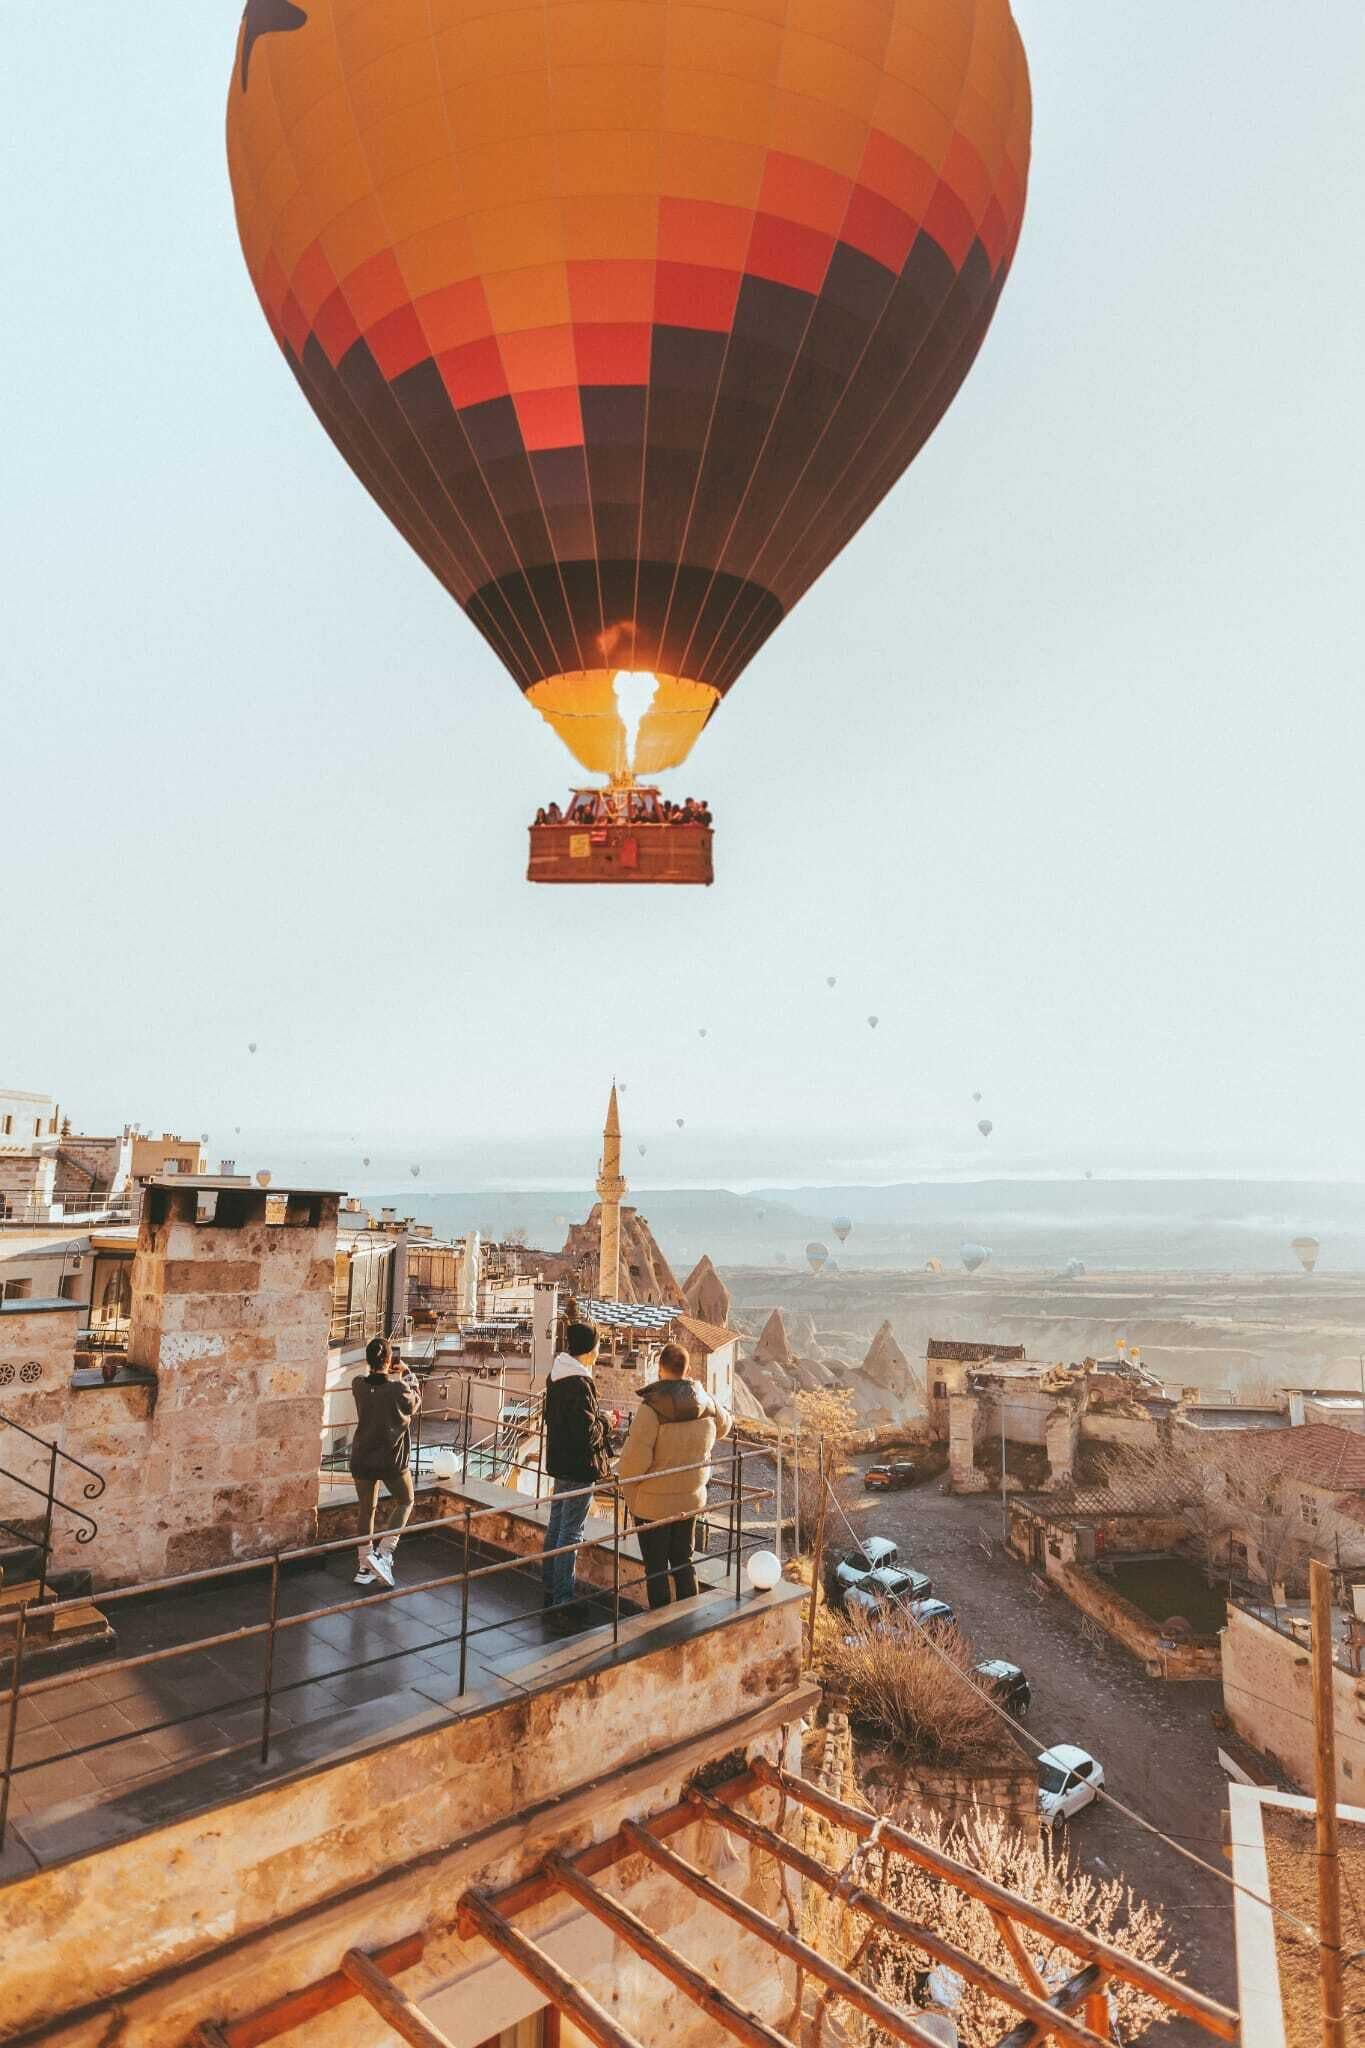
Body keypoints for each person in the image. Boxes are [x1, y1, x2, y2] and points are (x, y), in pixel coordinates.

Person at [618, 1342, 732, 1609]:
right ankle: (687, 1620)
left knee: (656, 1567)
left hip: (651, 1504)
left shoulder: (651, 1410)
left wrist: (631, 1494)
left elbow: (632, 1465)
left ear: (659, 1369)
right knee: (684, 1560)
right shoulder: (705, 1403)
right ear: (688, 1368)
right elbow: (725, 1425)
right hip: (690, 1501)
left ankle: (661, 1626)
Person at [541, 1321, 611, 1628]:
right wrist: (606, 1420)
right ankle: (563, 1600)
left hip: (560, 1462)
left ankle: (550, 1586)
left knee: (557, 1525)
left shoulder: (557, 1375)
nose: (599, 1352)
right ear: (589, 1349)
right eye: (597, 1346)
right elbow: (589, 1435)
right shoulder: (579, 1384)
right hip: (579, 1467)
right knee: (571, 1532)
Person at [349, 1336, 420, 1588]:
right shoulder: (397, 1388)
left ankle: (363, 1564)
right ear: (390, 1361)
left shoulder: (357, 1385)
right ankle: (384, 1553)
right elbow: (414, 1403)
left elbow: (371, 1386)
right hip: (390, 1460)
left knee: (366, 1509)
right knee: (406, 1500)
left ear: (368, 1360)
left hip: (362, 1457)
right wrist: (408, 1373)